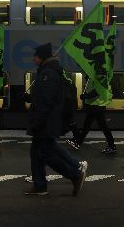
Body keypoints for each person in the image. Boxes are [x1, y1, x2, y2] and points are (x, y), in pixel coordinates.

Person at [24, 43, 87, 196]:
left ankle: (75, 174)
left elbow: (47, 101)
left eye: (36, 56)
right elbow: (43, 97)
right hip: (47, 120)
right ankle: (40, 185)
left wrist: (37, 122)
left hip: (47, 122)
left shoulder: (48, 74)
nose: (33, 59)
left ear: (42, 57)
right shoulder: (48, 71)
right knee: (37, 152)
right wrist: (30, 98)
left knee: (46, 154)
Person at [66, 79, 116, 154]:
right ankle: (78, 143)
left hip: (98, 105)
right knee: (87, 125)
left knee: (102, 126)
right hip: (94, 105)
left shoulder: (101, 77)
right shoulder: (96, 77)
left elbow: (97, 91)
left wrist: (85, 96)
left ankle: (112, 146)